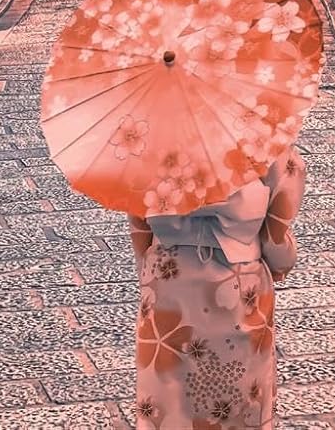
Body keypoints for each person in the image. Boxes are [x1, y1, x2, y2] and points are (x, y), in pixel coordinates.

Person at [128, 144, 306, 430]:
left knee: (169, 401)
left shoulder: (154, 137)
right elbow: (276, 241)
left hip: (168, 285)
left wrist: (148, 271)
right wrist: (282, 261)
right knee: (240, 400)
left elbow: (137, 218)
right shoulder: (265, 138)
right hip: (239, 286)